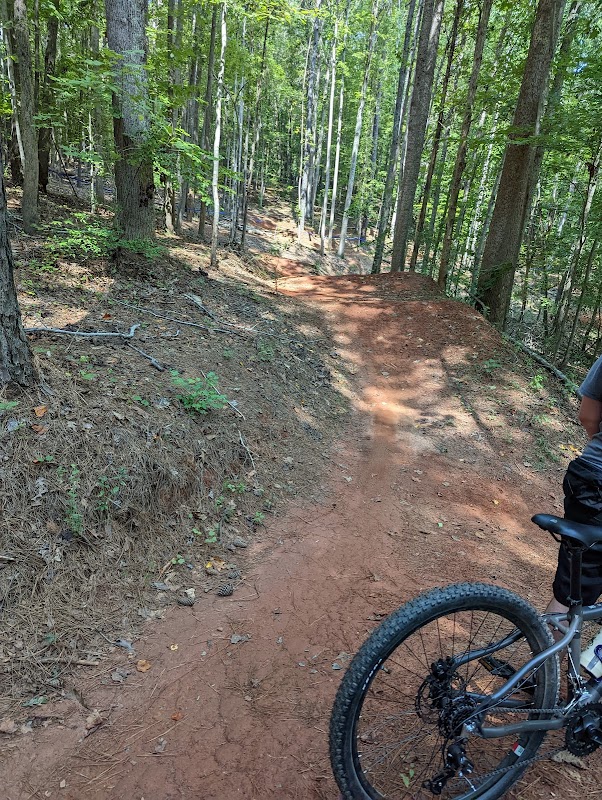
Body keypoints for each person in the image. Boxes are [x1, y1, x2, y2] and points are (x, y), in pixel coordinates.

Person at [546, 354, 602, 620]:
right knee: (573, 599)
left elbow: (588, 416)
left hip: (588, 474)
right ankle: (544, 662)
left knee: (573, 590)